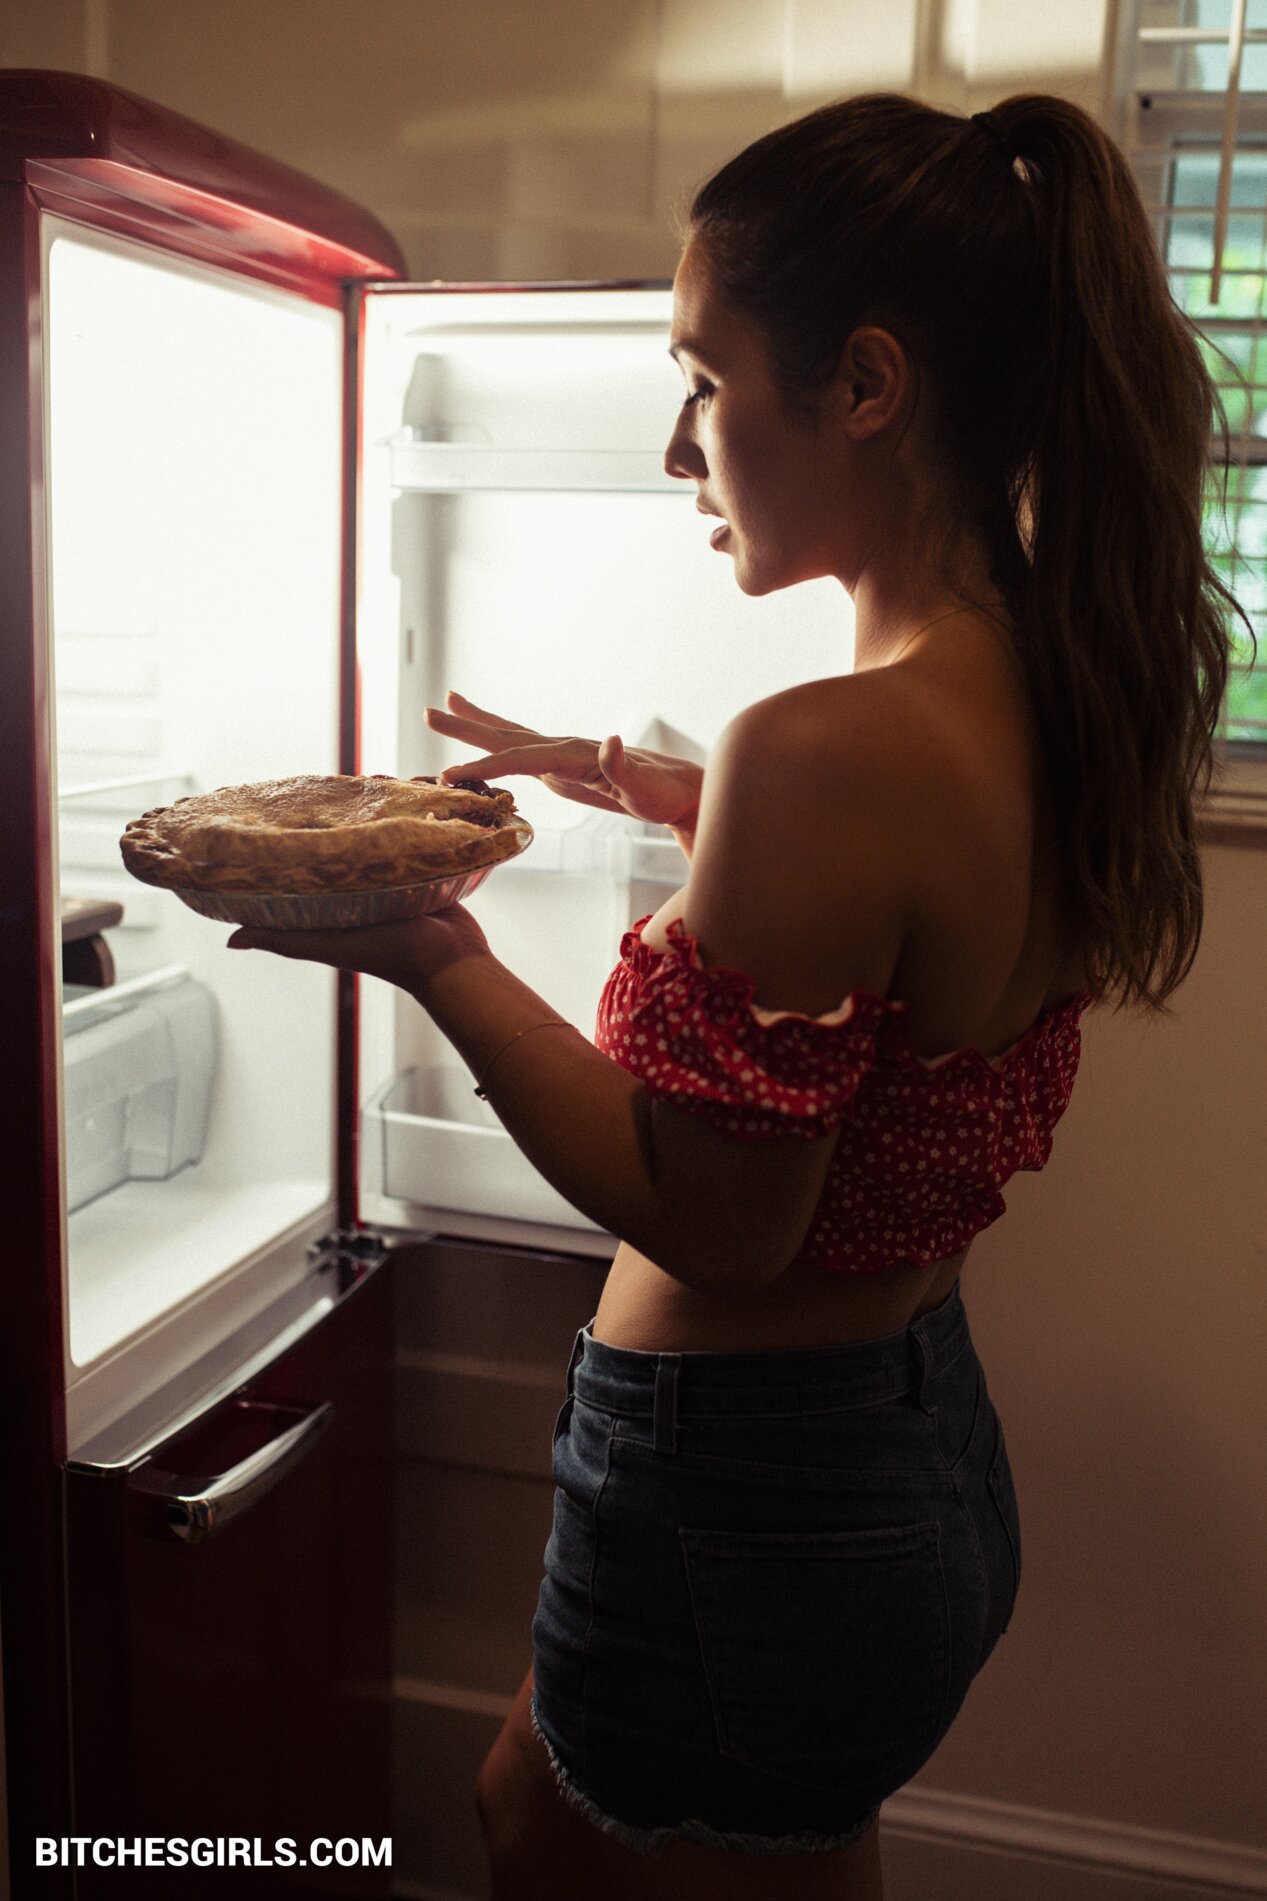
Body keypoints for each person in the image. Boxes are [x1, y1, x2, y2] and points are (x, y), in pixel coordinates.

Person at [229, 90, 1247, 1901]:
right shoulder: (1053, 675)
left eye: (703, 380)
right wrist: (672, 791)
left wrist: (429, 944)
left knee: (559, 1834)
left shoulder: (827, 747)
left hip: (748, 1500)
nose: (678, 446)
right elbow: (925, 926)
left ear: (866, 384)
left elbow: (718, 1219)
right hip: (897, 1449)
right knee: (608, 1821)